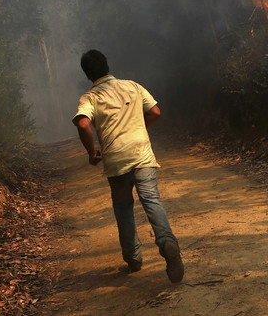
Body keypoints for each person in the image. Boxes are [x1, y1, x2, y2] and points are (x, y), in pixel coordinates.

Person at [72, 49, 185, 283]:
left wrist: (92, 152)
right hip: (142, 155)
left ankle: (133, 258)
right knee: (151, 200)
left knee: (123, 208)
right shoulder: (132, 86)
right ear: (108, 68)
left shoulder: (90, 97)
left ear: (88, 75)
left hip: (116, 159)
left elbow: (83, 124)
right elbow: (155, 112)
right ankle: (167, 243)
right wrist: (138, 128)